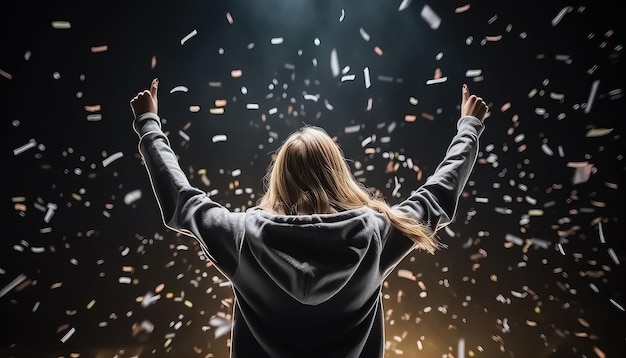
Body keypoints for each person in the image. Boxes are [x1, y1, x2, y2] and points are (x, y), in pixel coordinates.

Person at [130, 79, 489, 358]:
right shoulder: (376, 236)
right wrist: (469, 128)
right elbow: (437, 195)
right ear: (338, 173)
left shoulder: (241, 237)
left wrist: (149, 125)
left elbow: (183, 201)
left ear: (279, 178)